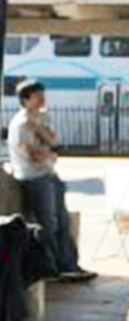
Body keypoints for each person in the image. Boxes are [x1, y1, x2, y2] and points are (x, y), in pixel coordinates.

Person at [7, 80, 95, 282]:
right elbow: (32, 154)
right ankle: (52, 268)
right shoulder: (20, 124)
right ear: (26, 99)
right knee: (48, 224)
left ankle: (69, 266)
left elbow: (54, 142)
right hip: (34, 179)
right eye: (38, 96)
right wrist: (50, 153)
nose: (43, 100)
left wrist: (40, 129)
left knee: (63, 223)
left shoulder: (37, 121)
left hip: (48, 176)